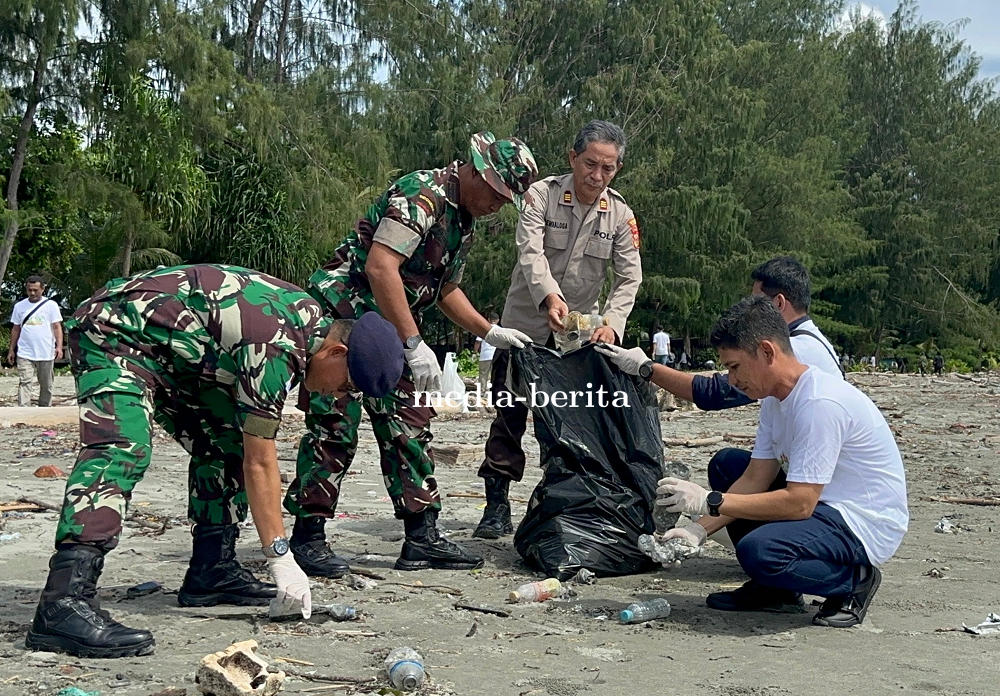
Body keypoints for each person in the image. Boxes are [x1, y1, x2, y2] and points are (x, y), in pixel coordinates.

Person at [25, 264, 405, 658]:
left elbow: (247, 450)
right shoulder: (277, 347)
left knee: (228, 445)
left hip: (177, 355)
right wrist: (280, 556)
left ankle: (212, 571)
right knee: (123, 446)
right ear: (336, 351)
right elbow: (262, 462)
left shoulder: (306, 326)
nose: (338, 394)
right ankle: (63, 602)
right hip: (114, 332)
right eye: (346, 384)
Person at [283, 132, 537, 576]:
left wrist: (489, 330)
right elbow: (381, 266)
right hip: (344, 321)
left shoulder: (463, 219)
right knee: (333, 429)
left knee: (411, 425)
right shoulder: (422, 194)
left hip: (393, 329)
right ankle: (308, 537)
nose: (498, 205)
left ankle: (421, 537)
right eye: (497, 193)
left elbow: (444, 288)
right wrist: (414, 343)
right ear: (477, 172)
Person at [603, 296, 908, 627]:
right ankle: (777, 590)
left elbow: (800, 504)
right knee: (729, 467)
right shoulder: (775, 399)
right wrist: (696, 530)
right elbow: (754, 479)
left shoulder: (819, 403)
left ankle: (854, 582)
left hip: (863, 521)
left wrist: (709, 501)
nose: (731, 380)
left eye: (734, 367)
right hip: (825, 504)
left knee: (759, 552)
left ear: (767, 352)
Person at [473, 120, 642, 539]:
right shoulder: (540, 196)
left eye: (608, 168)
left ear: (617, 169)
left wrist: (613, 325)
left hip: (575, 336)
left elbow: (629, 278)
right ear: (573, 158)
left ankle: (557, 503)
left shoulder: (620, 214)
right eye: (590, 164)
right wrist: (549, 296)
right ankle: (495, 506)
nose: (597, 176)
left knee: (564, 422)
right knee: (509, 417)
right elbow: (530, 254)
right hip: (524, 329)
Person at [603, 257, 840, 412]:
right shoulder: (812, 339)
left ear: (778, 303)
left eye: (758, 301)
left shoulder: (794, 351)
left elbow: (717, 393)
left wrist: (646, 367)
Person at [7, 275, 64, 407]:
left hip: (46, 351)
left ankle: (44, 409)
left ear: (43, 289)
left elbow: (57, 327)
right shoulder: (19, 306)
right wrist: (11, 349)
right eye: (29, 290)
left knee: (46, 384)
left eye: (35, 290)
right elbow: (16, 329)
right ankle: (24, 409)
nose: (32, 293)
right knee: (25, 381)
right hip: (25, 352)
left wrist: (59, 346)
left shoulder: (51, 306)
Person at [474, 311, 501, 397]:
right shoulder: (500, 330)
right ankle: (495, 391)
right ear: (498, 320)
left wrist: (475, 352)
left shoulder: (484, 328)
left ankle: (482, 391)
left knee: (483, 374)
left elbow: (478, 342)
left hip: (485, 355)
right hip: (496, 355)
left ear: (488, 320)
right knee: (496, 374)